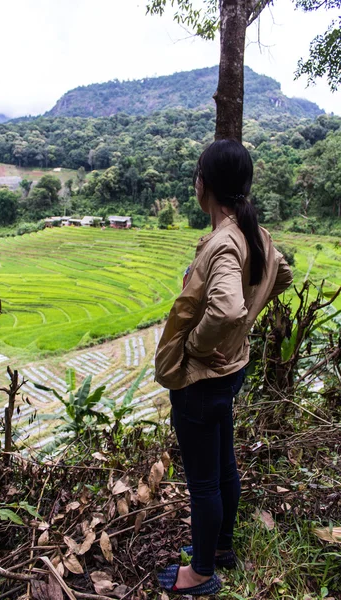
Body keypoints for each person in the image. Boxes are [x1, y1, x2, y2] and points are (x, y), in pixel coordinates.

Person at [155, 139, 293, 596]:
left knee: (203, 482)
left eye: (196, 177)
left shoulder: (224, 243)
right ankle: (222, 549)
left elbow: (228, 310)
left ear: (204, 186)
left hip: (203, 379)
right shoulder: (254, 233)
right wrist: (248, 319)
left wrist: (195, 346)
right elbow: (282, 274)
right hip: (231, 370)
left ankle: (200, 574)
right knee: (224, 467)